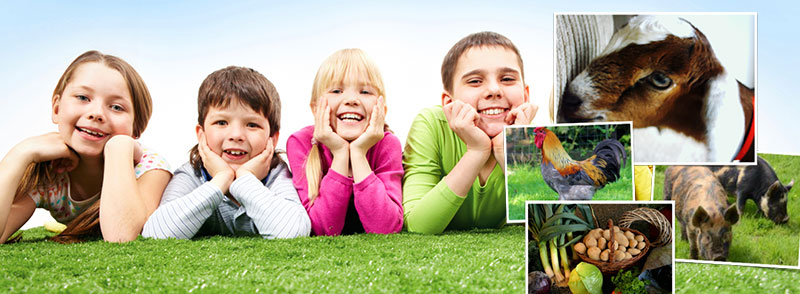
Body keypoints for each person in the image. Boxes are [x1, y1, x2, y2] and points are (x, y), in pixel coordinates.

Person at [0, 50, 172, 243]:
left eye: (116, 107)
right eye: (83, 97)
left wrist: (118, 147)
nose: (96, 113)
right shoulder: (49, 172)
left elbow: (122, 236)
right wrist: (20, 154)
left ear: (136, 128)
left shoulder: (149, 168)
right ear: (57, 108)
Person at [142, 66, 310, 239]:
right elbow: (156, 233)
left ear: (272, 139)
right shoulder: (192, 174)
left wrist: (246, 178)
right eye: (221, 122)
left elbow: (294, 232)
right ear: (202, 134)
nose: (236, 135)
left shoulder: (276, 174)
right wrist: (221, 178)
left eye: (252, 125)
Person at [403, 32, 538, 234]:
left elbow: (544, 224)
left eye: (507, 79)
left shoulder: (535, 135)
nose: (494, 90)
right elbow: (418, 225)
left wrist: (506, 149)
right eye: (475, 81)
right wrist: (476, 151)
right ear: (449, 102)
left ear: (525, 95)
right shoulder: (430, 124)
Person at [287, 49, 403, 236]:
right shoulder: (301, 143)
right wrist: (341, 154)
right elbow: (322, 229)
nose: (351, 100)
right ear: (315, 109)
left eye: (365, 91)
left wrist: (357, 154)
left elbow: (386, 228)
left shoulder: (387, 145)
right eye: (336, 91)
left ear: (382, 109)